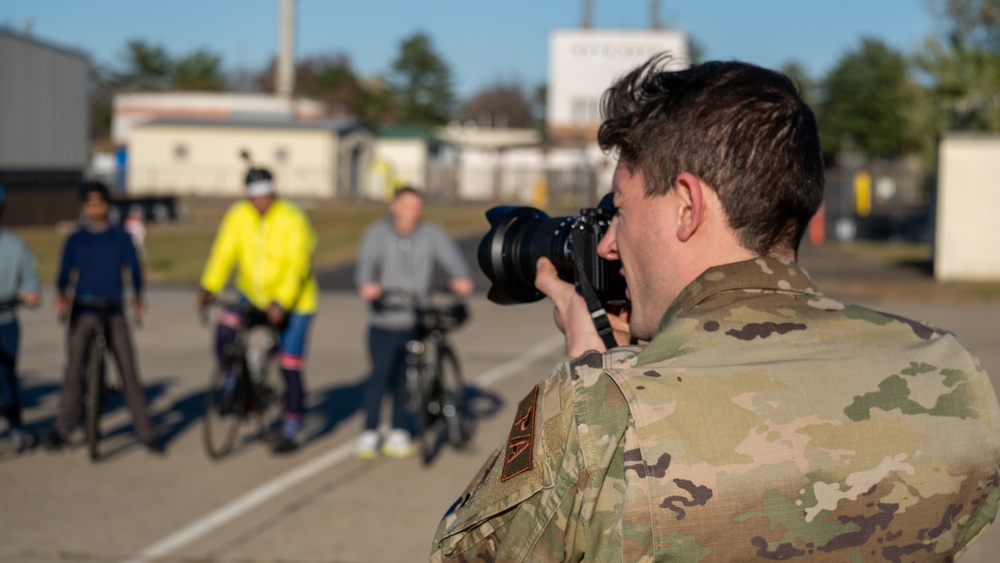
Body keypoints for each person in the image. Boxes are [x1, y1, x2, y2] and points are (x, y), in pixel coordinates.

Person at [431, 56, 1000, 561]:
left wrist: (593, 377)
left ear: (686, 205)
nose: (607, 244)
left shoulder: (597, 414)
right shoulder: (950, 375)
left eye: (621, 210)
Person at [196, 167, 318, 454]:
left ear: (273, 193)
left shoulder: (292, 217)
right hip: (251, 296)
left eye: (264, 196)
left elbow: (297, 263)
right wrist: (209, 286)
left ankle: (290, 427)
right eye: (254, 197)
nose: (259, 202)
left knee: (290, 364)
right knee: (225, 329)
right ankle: (230, 384)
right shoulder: (238, 215)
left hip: (295, 301)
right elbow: (223, 251)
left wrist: (283, 301)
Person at [355, 186, 474, 459]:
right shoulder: (377, 233)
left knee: (404, 377)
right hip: (384, 318)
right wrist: (368, 285)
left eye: (417, 207)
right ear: (394, 206)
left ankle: (399, 429)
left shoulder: (432, 234)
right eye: (407, 206)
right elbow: (367, 266)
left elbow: (455, 262)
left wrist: (461, 278)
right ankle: (370, 431)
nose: (413, 212)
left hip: (415, 317)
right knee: (380, 375)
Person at [47, 181, 162, 454]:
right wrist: (61, 294)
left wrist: (137, 295)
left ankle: (145, 432)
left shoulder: (121, 237)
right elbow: (64, 272)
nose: (94, 207)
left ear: (107, 205)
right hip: (83, 309)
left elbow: (134, 269)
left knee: (128, 370)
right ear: (84, 206)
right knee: (74, 371)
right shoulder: (76, 238)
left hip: (113, 310)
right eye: (89, 203)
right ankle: (63, 428)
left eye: (99, 202)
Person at [0, 185, 41, 453]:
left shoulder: (15, 246)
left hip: (5, 322)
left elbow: (32, 287)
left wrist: (29, 296)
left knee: (6, 377)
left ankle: (15, 426)